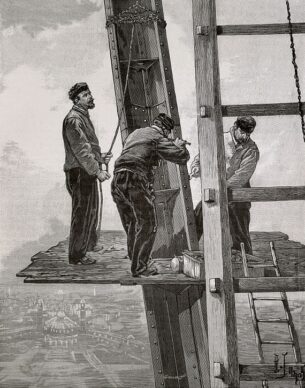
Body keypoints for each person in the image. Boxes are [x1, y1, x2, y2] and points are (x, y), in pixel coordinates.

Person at [111, 113, 190, 277]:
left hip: (117, 180)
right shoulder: (158, 137)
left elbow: (141, 152)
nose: (168, 136)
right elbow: (181, 157)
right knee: (148, 224)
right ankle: (140, 267)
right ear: (165, 129)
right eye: (168, 133)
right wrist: (178, 145)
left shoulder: (136, 134)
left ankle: (134, 258)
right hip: (134, 179)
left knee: (133, 222)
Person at [190, 116, 259, 254]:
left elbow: (242, 176)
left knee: (239, 227)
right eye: (243, 132)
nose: (245, 137)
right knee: (199, 215)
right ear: (235, 127)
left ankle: (244, 258)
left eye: (248, 134)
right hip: (217, 188)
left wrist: (222, 186)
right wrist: (197, 167)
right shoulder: (219, 139)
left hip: (238, 192)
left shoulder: (251, 149)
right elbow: (202, 156)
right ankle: (189, 249)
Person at [63, 82, 112, 265]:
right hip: (80, 173)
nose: (90, 96)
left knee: (91, 210)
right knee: (82, 213)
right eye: (85, 95)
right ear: (77, 100)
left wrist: (100, 158)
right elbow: (81, 150)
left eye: (89, 93)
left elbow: (89, 146)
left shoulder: (82, 116)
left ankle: (89, 245)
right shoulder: (74, 119)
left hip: (85, 171)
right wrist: (97, 171)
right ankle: (76, 256)